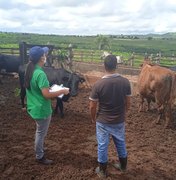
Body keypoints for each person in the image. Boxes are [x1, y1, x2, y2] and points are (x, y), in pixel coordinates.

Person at [24, 46, 69, 165]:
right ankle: (39, 155)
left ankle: (40, 149)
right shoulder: (40, 74)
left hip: (33, 107)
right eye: (44, 55)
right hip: (41, 109)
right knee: (40, 133)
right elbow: (47, 95)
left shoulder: (30, 70)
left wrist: (47, 88)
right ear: (41, 58)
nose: (46, 56)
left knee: (40, 131)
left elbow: (38, 89)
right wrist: (62, 91)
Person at [89, 55, 131, 178]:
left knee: (102, 145)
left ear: (104, 66)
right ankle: (123, 166)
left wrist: (93, 118)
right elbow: (128, 102)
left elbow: (92, 106)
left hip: (103, 121)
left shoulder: (98, 84)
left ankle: (102, 171)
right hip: (119, 120)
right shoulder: (125, 82)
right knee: (121, 142)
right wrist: (124, 114)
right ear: (116, 66)